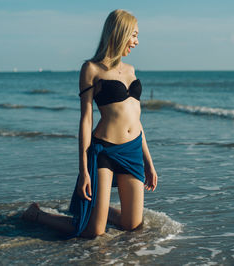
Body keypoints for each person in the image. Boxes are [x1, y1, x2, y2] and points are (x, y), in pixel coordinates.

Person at [22, 9, 157, 238]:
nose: (136, 41)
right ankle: (36, 214)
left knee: (132, 225)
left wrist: (149, 161)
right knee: (93, 232)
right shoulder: (91, 69)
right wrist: (83, 170)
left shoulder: (131, 71)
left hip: (133, 150)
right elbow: (86, 120)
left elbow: (136, 120)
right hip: (104, 150)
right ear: (120, 33)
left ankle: (101, 210)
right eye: (133, 35)